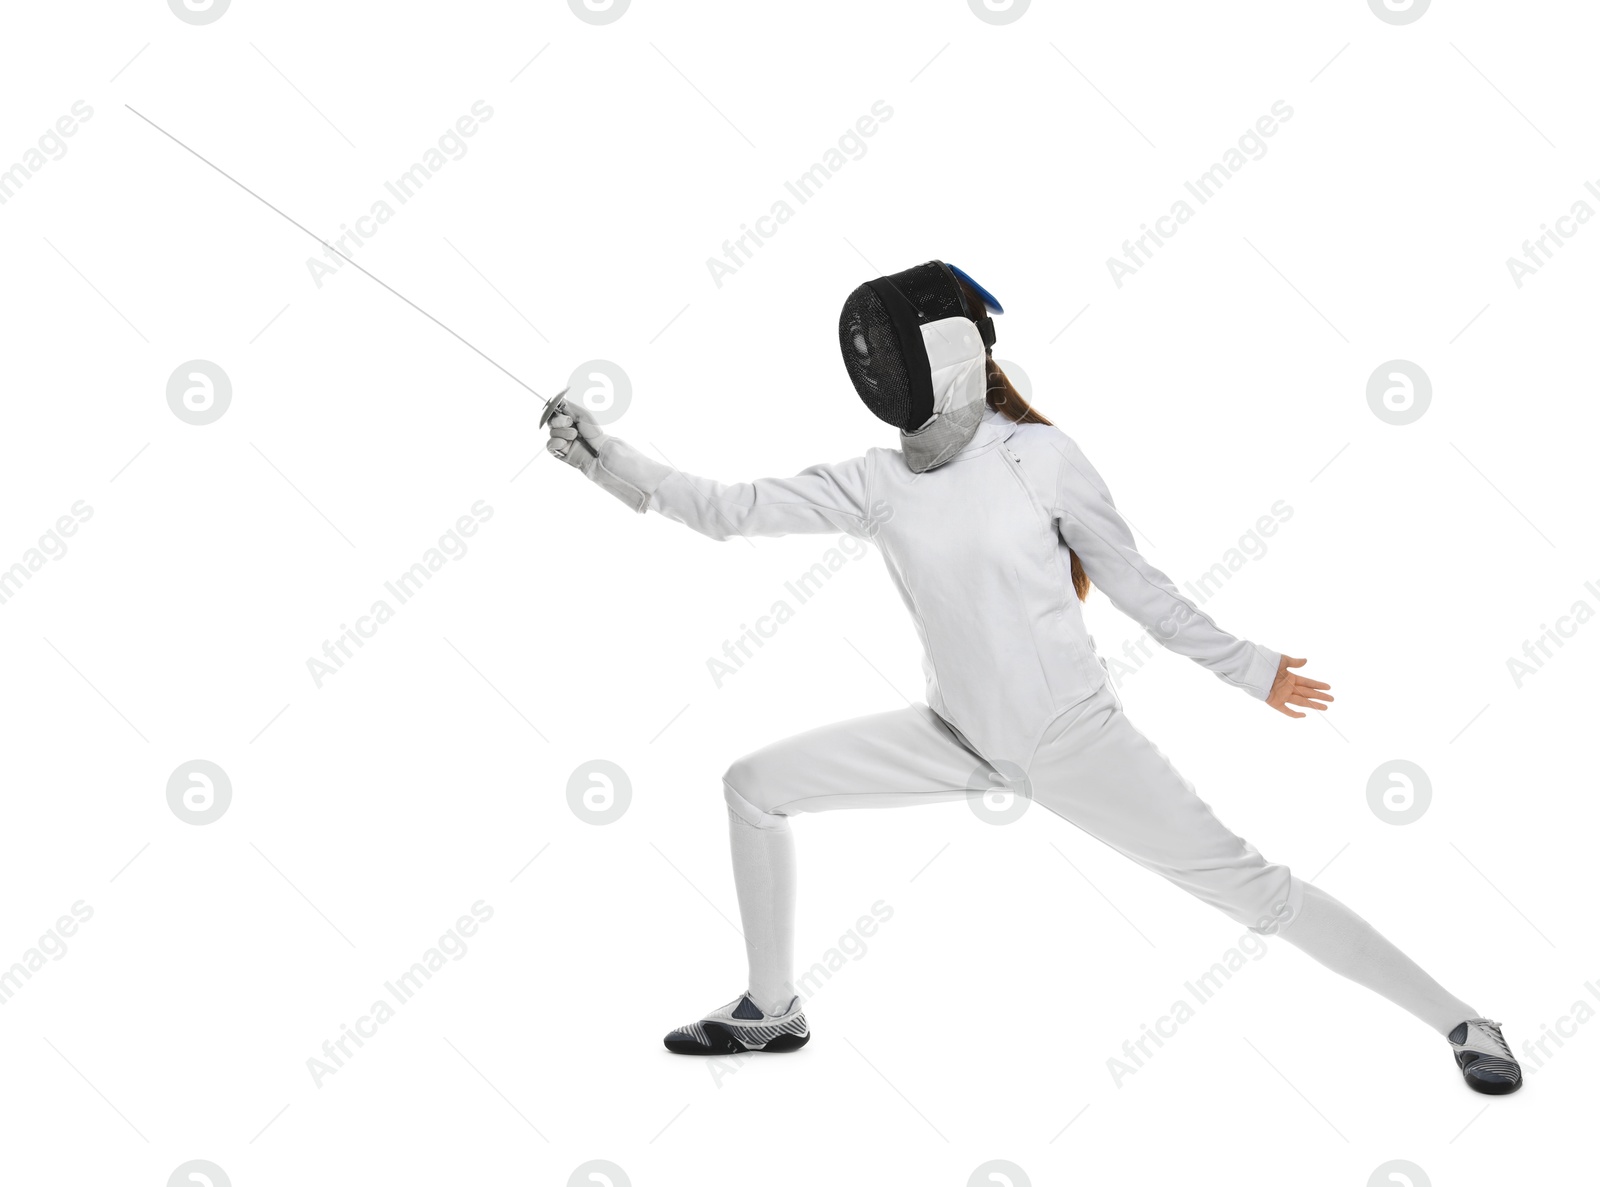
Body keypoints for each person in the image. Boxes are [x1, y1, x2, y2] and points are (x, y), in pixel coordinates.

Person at [544, 260, 1521, 1094]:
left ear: (950, 361)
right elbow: (727, 510)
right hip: (956, 737)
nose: (880, 371)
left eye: (895, 351)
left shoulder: (1039, 458)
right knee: (753, 784)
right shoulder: (875, 483)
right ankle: (771, 1007)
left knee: (1255, 893)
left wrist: (1252, 668)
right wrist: (606, 460)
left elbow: (1143, 589)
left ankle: (1463, 1020)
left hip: (1077, 743)